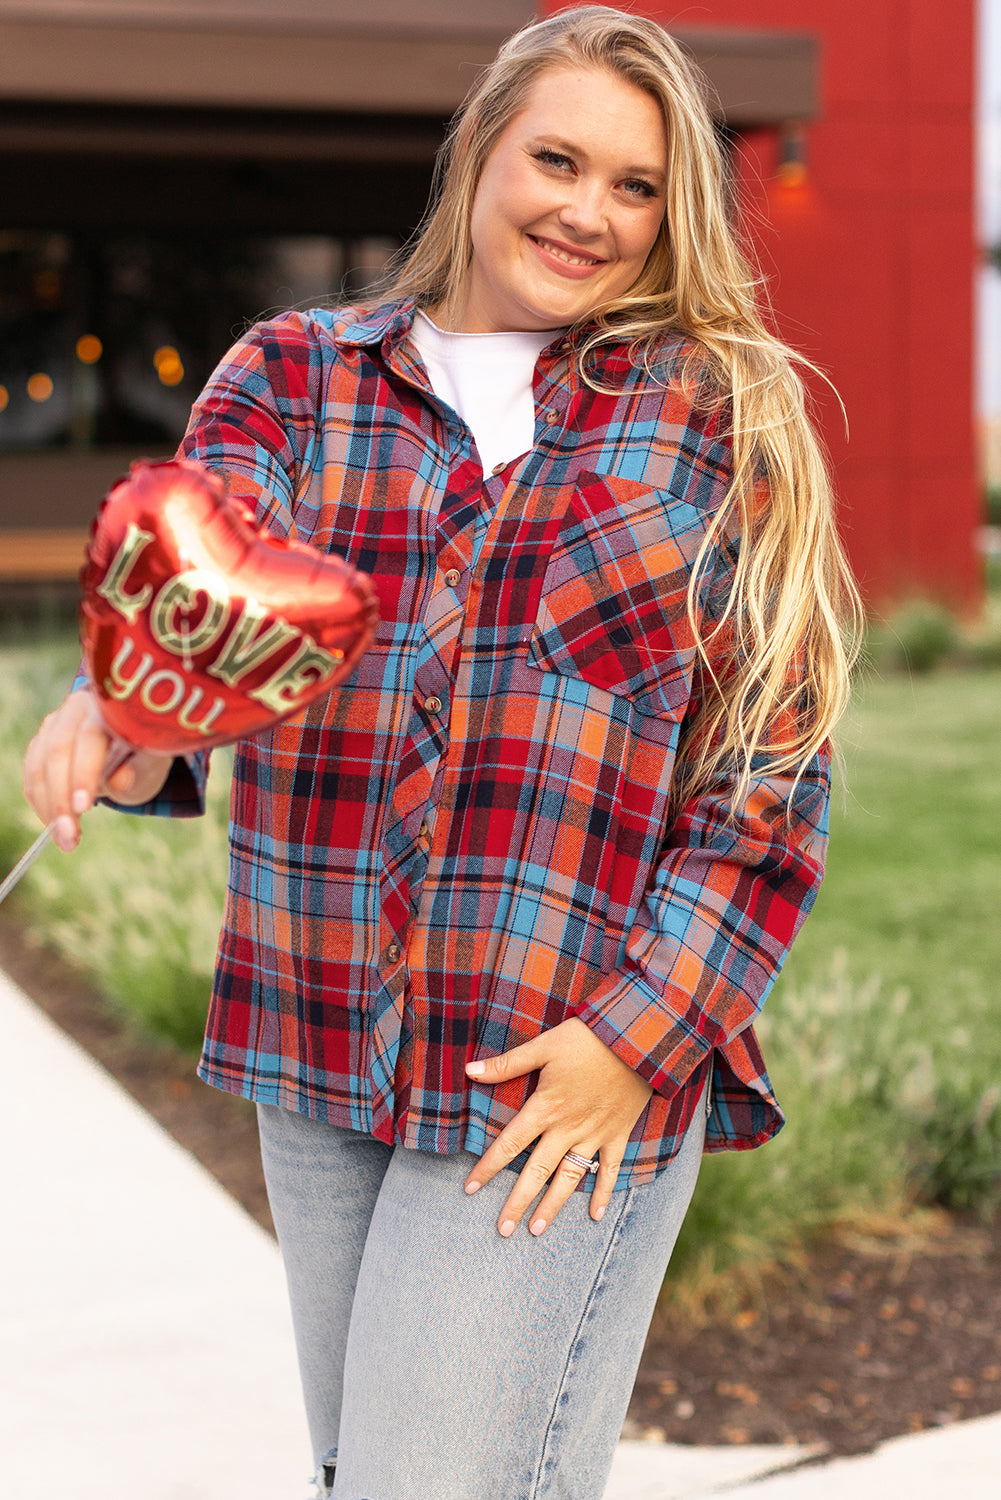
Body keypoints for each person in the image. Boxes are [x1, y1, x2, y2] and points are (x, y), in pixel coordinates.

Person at [23, 8, 860, 1498]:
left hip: (561, 1065)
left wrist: (634, 1045)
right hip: (317, 1034)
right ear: (479, 147)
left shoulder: (712, 422)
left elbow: (770, 774)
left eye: (635, 186)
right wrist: (122, 714)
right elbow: (198, 601)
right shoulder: (292, 379)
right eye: (556, 157)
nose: (584, 213)